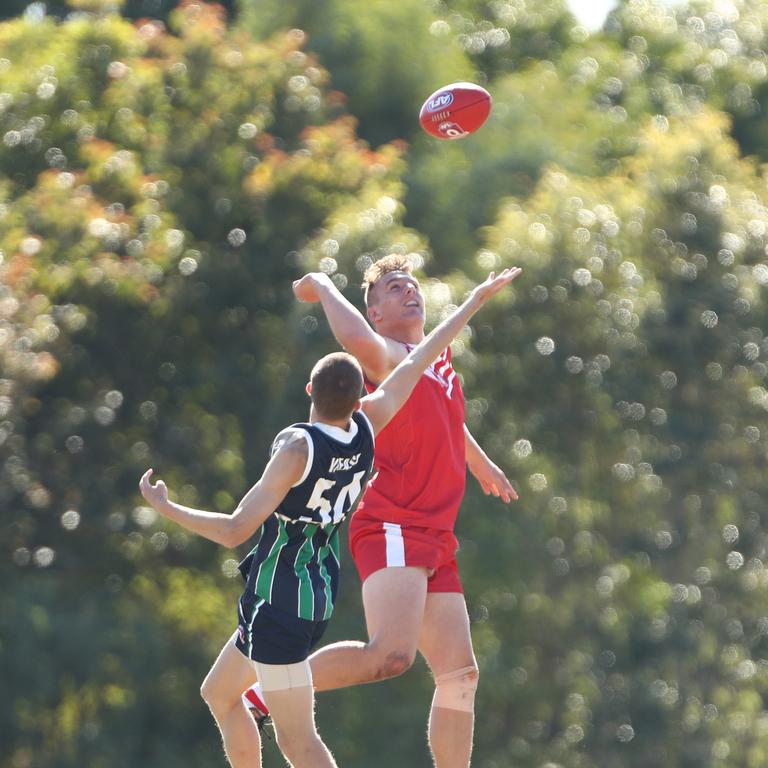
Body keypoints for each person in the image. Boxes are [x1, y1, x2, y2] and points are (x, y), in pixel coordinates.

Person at [139, 266, 520, 768]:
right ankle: (270, 692)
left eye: (412, 285)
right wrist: (322, 285)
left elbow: (436, 405)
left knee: (461, 676)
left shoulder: (429, 363)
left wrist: (479, 460)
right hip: (396, 523)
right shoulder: (387, 361)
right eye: (392, 288)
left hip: (428, 531)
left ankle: (273, 691)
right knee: (390, 658)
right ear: (375, 312)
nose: (408, 291)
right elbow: (360, 341)